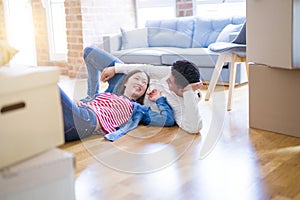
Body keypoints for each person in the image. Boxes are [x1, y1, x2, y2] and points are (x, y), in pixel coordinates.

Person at [83, 46, 203, 134]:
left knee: (83, 112)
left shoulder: (181, 107)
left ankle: (91, 101)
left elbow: (194, 128)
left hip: (122, 101)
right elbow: (146, 69)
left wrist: (189, 92)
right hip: (128, 78)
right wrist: (116, 69)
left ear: (182, 90)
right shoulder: (174, 72)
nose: (167, 80)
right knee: (89, 52)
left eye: (170, 82)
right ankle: (91, 95)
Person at [60, 69, 175, 142]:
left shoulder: (139, 109)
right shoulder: (107, 95)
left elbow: (168, 120)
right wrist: (76, 101)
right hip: (69, 123)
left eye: (144, 82)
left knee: (49, 86)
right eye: (137, 78)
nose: (140, 83)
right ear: (125, 82)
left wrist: (159, 99)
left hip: (87, 121)